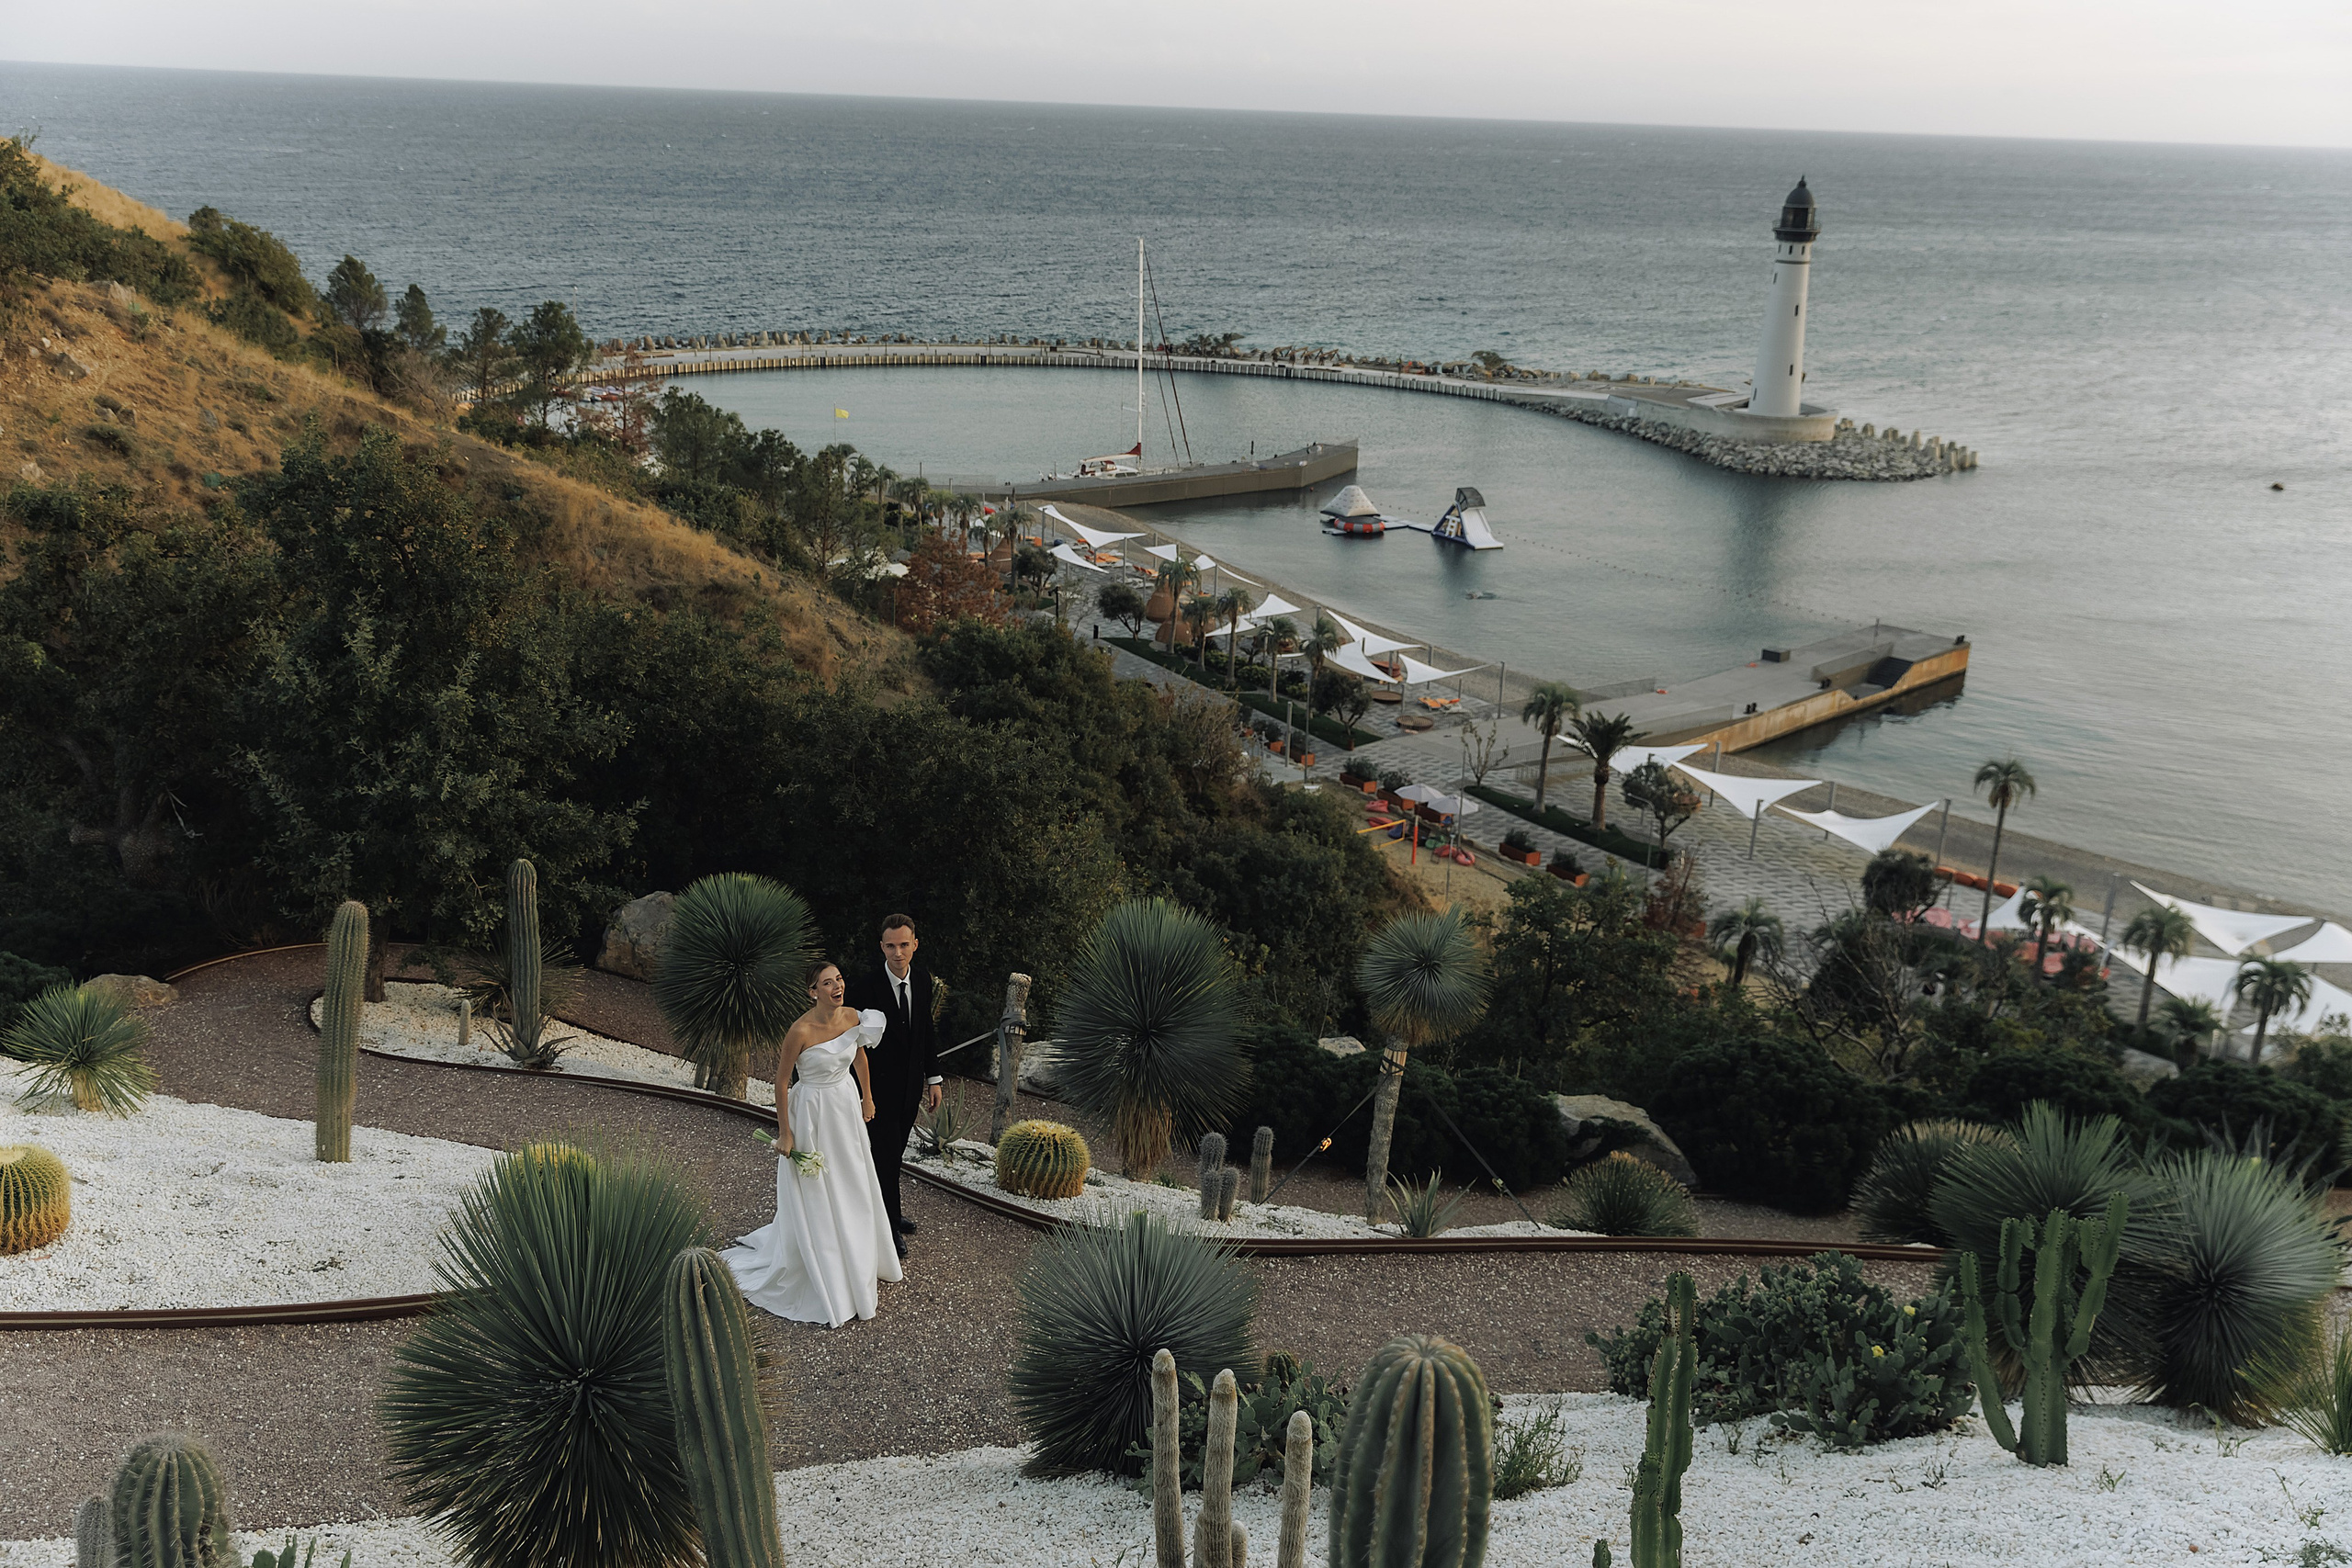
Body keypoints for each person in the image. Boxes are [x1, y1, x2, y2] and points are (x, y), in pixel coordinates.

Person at [721, 960, 902, 1326]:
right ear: (812, 991)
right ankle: (827, 1260)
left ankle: (862, 1250)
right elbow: (781, 1082)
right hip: (813, 1111)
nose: (837, 987)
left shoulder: (853, 1016)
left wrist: (868, 1096)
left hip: (845, 1106)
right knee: (818, 1185)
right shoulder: (799, 1030)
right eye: (827, 983)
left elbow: (860, 1056)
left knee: (853, 1177)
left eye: (839, 980)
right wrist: (785, 1132)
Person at [845, 913, 941, 1258]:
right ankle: (888, 1225)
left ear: (915, 944)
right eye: (890, 945)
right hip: (877, 1091)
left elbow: (925, 1031)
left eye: (904, 945)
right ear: (881, 946)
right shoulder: (865, 988)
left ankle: (888, 1212)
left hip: (911, 1088)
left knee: (895, 1154)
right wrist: (859, 1093)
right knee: (885, 1156)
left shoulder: (923, 980)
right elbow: (851, 1042)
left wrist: (933, 1078)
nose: (898, 952)